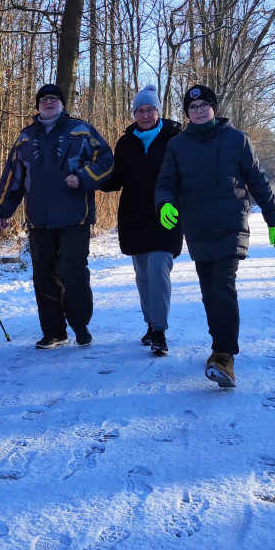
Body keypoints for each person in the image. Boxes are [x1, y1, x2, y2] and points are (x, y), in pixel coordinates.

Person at [154, 84, 275, 387]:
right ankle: (219, 344)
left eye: (203, 106)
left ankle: (224, 355)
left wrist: (273, 216)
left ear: (213, 108)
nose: (198, 111)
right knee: (209, 292)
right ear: (187, 113)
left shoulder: (236, 140)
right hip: (197, 228)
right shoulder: (177, 145)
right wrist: (165, 204)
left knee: (223, 286)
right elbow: (166, 183)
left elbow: (257, 180)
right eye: (192, 108)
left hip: (230, 225)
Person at [0, 84, 114, 349]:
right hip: (39, 219)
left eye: (54, 98)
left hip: (75, 217)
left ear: (62, 103)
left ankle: (80, 326)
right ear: (38, 106)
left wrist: (83, 178)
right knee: (44, 276)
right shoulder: (25, 137)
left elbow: (106, 161)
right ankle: (54, 332)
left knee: (73, 274)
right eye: (44, 99)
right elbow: (13, 175)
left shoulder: (81, 130)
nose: (49, 102)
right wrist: (3, 209)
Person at [100, 84, 184, 356]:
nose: (145, 114)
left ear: (158, 111)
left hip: (166, 215)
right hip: (134, 216)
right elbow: (116, 179)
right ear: (134, 113)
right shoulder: (126, 142)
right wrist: (90, 177)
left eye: (150, 109)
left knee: (159, 268)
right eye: (140, 110)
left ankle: (159, 331)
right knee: (143, 275)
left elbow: (187, 174)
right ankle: (150, 324)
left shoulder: (176, 138)